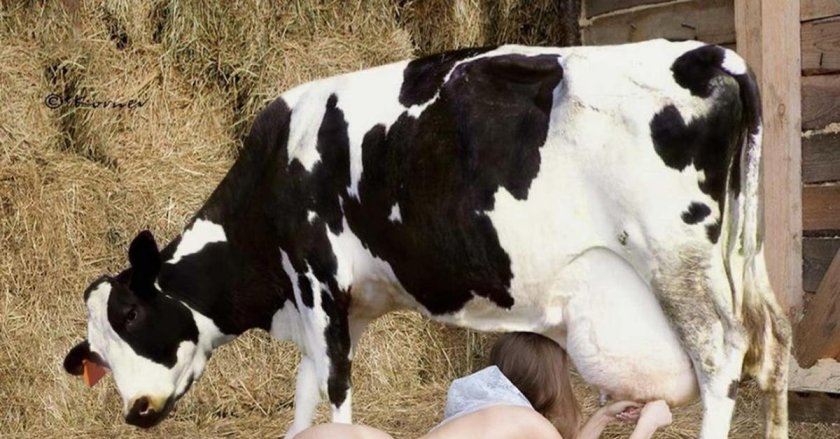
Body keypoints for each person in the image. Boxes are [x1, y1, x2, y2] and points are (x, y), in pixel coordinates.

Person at [295, 332, 672, 439]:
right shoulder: (528, 423)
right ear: (550, 382)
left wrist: (604, 417)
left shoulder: (486, 413)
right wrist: (648, 424)